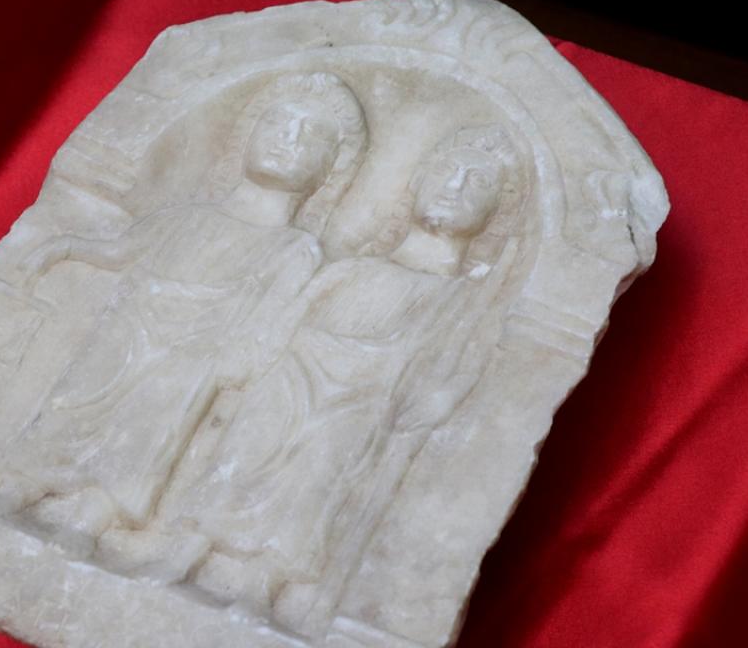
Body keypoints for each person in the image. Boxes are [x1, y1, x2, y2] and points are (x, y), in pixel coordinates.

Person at [144, 124, 526, 638]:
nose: (453, 187)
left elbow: (463, 363)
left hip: (359, 407)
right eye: (445, 172)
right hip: (291, 379)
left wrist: (440, 396)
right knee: (245, 451)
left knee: (315, 480)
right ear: (417, 182)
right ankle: (184, 553)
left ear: (492, 215)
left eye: (475, 183)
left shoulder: (458, 301)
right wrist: (260, 350)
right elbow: (290, 315)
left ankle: (261, 587)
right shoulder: (354, 269)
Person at [0, 72, 368, 556]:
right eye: (277, 124)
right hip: (129, 328)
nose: (287, 139)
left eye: (308, 135)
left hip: (193, 356)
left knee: (155, 417)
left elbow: (273, 318)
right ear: (248, 134)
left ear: (330, 172)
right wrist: (64, 247)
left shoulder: (294, 249)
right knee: (78, 396)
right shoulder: (187, 216)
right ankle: (25, 482)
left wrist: (241, 359)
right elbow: (118, 251)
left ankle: (97, 513)